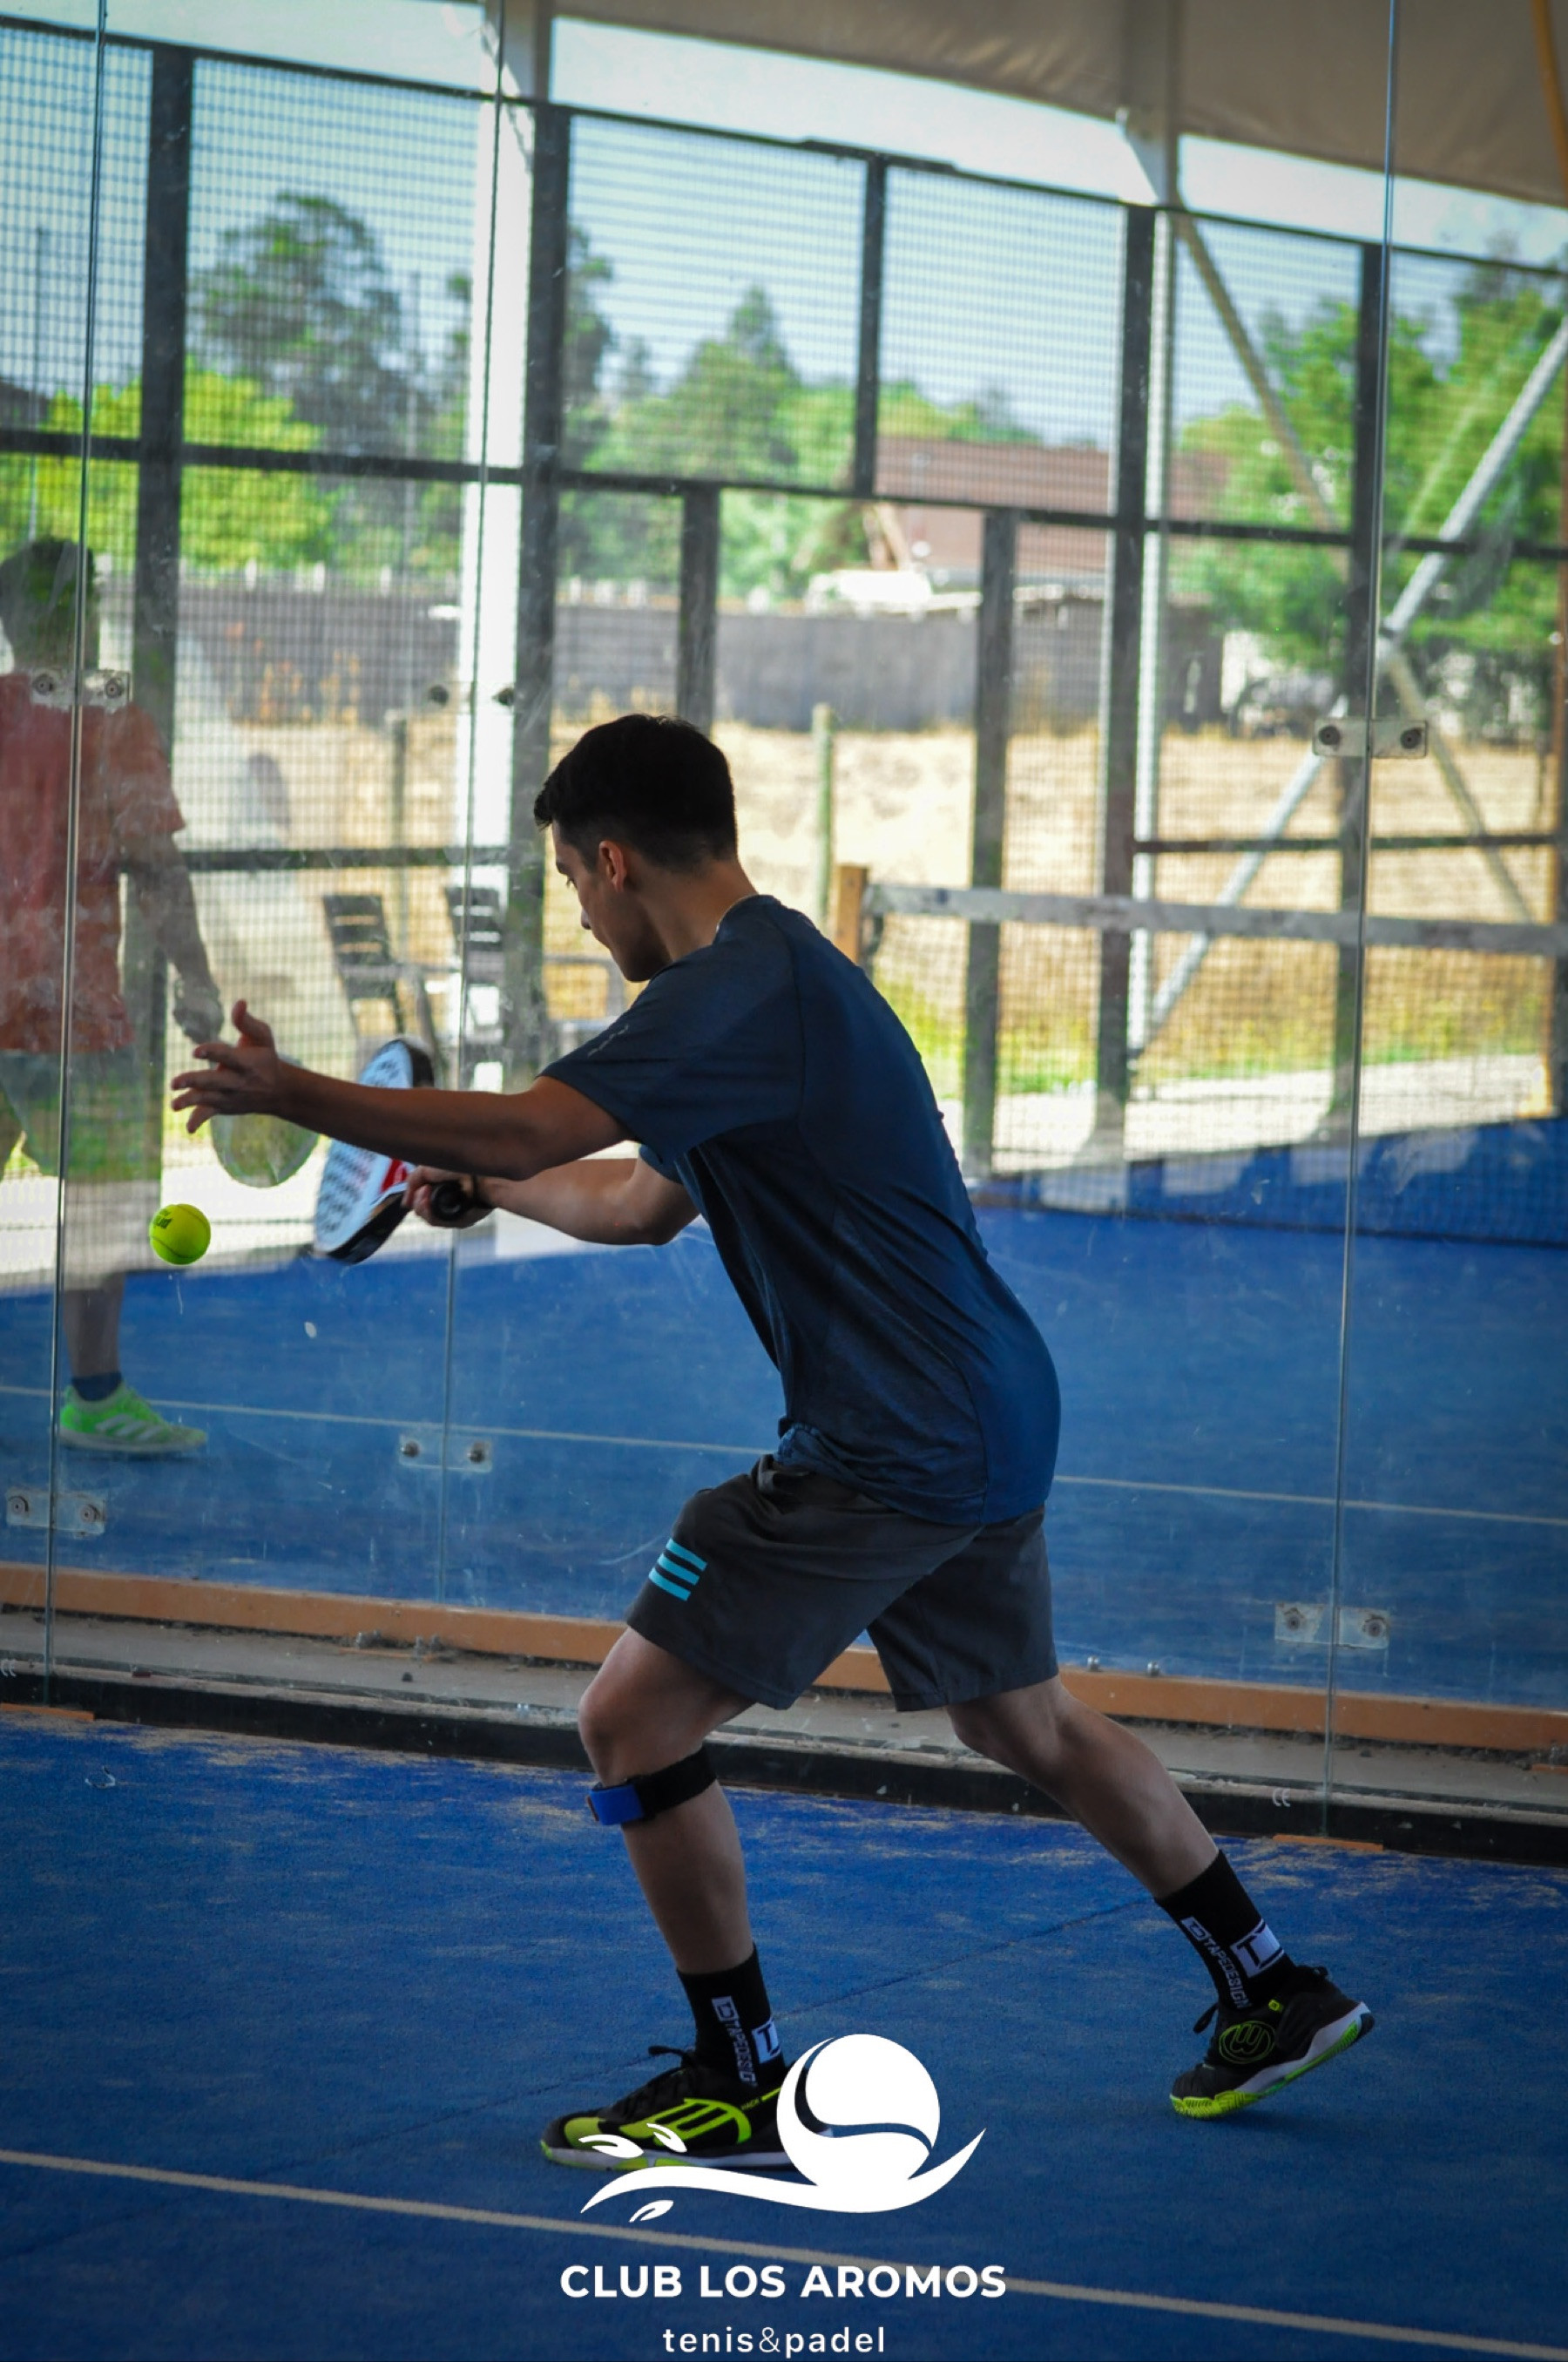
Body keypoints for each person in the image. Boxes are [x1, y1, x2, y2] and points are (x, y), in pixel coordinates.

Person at [171, 712, 1371, 2145]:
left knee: (630, 1718)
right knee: (1021, 1716)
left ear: (614, 860)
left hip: (894, 1439)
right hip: (989, 1407)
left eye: (572, 879)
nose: (580, 908)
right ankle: (1272, 1981)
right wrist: (483, 1189)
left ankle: (735, 2069)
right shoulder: (777, 978)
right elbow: (632, 1200)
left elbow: (532, 1126)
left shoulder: (727, 996)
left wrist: (298, 1095)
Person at [1, 538, 221, 1454]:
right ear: (73, 616)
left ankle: (97, 1397)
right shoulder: (112, 722)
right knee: (98, 1203)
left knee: (99, 1201)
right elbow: (156, 868)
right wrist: (198, 981)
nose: (90, 613)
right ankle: (93, 1396)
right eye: (83, 598)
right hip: (74, 1018)